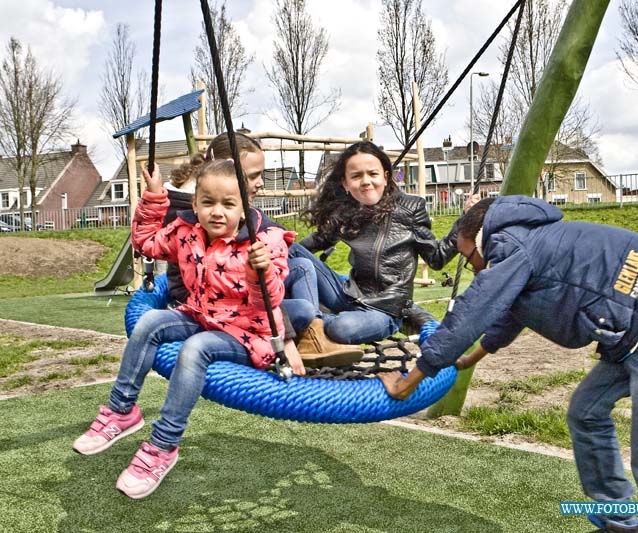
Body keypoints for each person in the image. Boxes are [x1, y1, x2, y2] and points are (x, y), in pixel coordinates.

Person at [380, 196, 638, 533]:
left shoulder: (512, 246)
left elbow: (471, 313)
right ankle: (618, 521)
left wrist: (407, 381)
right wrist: (471, 357)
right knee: (586, 412)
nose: (476, 269)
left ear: (480, 240)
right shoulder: (527, 240)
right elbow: (508, 314)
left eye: (470, 259)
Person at [73, 160, 299, 499]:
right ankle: (122, 412)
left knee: (196, 349)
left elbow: (266, 302)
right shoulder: (186, 232)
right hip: (200, 316)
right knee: (150, 322)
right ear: (195, 204)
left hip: (247, 333)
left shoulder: (265, 242)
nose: (217, 212)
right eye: (207, 202)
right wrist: (153, 197)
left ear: (244, 206)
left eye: (228, 204)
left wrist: (260, 271)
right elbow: (145, 243)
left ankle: (163, 445)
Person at [163, 131, 362, 368]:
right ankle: (345, 310)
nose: (260, 182)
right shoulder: (200, 213)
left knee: (300, 263)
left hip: (245, 295)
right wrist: (284, 337)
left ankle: (318, 330)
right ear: (229, 171)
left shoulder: (213, 198)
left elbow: (264, 231)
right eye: (254, 175)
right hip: (221, 310)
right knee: (303, 300)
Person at [294, 141, 464, 345]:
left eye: (372, 174)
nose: (365, 181)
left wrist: (465, 222)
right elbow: (316, 241)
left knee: (342, 327)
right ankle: (307, 322)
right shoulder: (348, 212)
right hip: (348, 294)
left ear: (386, 176)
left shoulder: (410, 208)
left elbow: (436, 258)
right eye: (356, 176)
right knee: (290, 250)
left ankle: (312, 325)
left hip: (385, 309)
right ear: (345, 184)